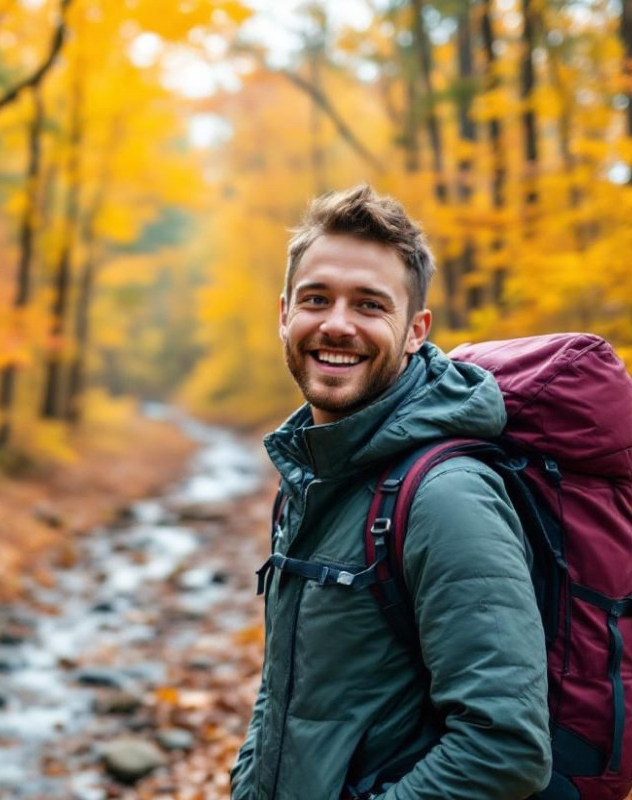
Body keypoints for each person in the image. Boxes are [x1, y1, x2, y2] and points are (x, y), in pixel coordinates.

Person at [230, 185, 552, 799]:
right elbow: (288, 693)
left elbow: (505, 747)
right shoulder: (314, 474)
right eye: (316, 299)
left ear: (414, 331)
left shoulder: (446, 498)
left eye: (370, 305)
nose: (336, 324)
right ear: (284, 314)